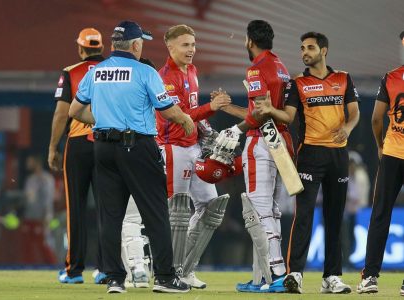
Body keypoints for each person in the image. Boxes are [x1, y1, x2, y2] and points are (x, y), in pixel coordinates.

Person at [69, 20, 194, 294]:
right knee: (156, 213)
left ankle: (114, 278)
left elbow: (75, 111)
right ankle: (164, 277)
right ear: (136, 45)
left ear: (114, 45)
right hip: (137, 146)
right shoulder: (145, 72)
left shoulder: (96, 72)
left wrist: (101, 120)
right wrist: (186, 120)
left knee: (110, 215)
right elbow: (167, 109)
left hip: (102, 148)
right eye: (142, 43)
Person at [255, 31, 360, 294]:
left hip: (338, 155)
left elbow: (355, 112)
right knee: (303, 216)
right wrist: (269, 110)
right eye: (302, 48)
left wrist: (347, 128)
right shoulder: (297, 83)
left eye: (310, 47)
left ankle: (331, 277)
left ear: (323, 51)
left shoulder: (343, 78)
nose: (305, 52)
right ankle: (296, 275)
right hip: (310, 155)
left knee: (335, 218)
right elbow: (288, 117)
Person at [212, 20, 292, 293]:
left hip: (261, 143)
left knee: (259, 212)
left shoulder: (256, 68)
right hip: (280, 142)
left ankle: (278, 273)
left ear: (249, 41)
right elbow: (260, 111)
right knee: (271, 210)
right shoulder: (280, 67)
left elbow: (258, 115)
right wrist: (230, 107)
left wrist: (237, 128)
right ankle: (263, 278)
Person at [156, 24, 232, 289]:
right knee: (176, 212)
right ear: (170, 46)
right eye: (185, 45)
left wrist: (207, 119)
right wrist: (211, 107)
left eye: (193, 44)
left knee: (211, 208)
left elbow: (191, 114)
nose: (191, 50)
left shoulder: (192, 70)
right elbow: (178, 117)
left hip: (193, 147)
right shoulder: (165, 77)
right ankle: (167, 272)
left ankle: (185, 269)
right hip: (173, 148)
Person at [48, 28, 107, 284]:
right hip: (108, 142)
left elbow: (62, 114)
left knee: (77, 208)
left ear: (81, 49)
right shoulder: (116, 71)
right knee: (109, 208)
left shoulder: (70, 72)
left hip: (78, 144)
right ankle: (107, 268)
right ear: (102, 48)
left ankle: (73, 271)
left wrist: (52, 147)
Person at [357, 31, 404, 295]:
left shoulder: (392, 76)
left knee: (380, 216)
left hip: (392, 154)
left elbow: (376, 119)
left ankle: (370, 277)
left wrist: (379, 146)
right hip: (393, 153)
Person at [22, 154, 56, 264]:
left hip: (42, 219)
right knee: (28, 245)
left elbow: (48, 199)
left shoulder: (47, 179)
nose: (27, 164)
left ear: (37, 162)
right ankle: (28, 268)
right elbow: (28, 199)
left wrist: (46, 217)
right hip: (30, 217)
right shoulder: (30, 179)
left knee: (44, 245)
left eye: (30, 161)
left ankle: (52, 266)